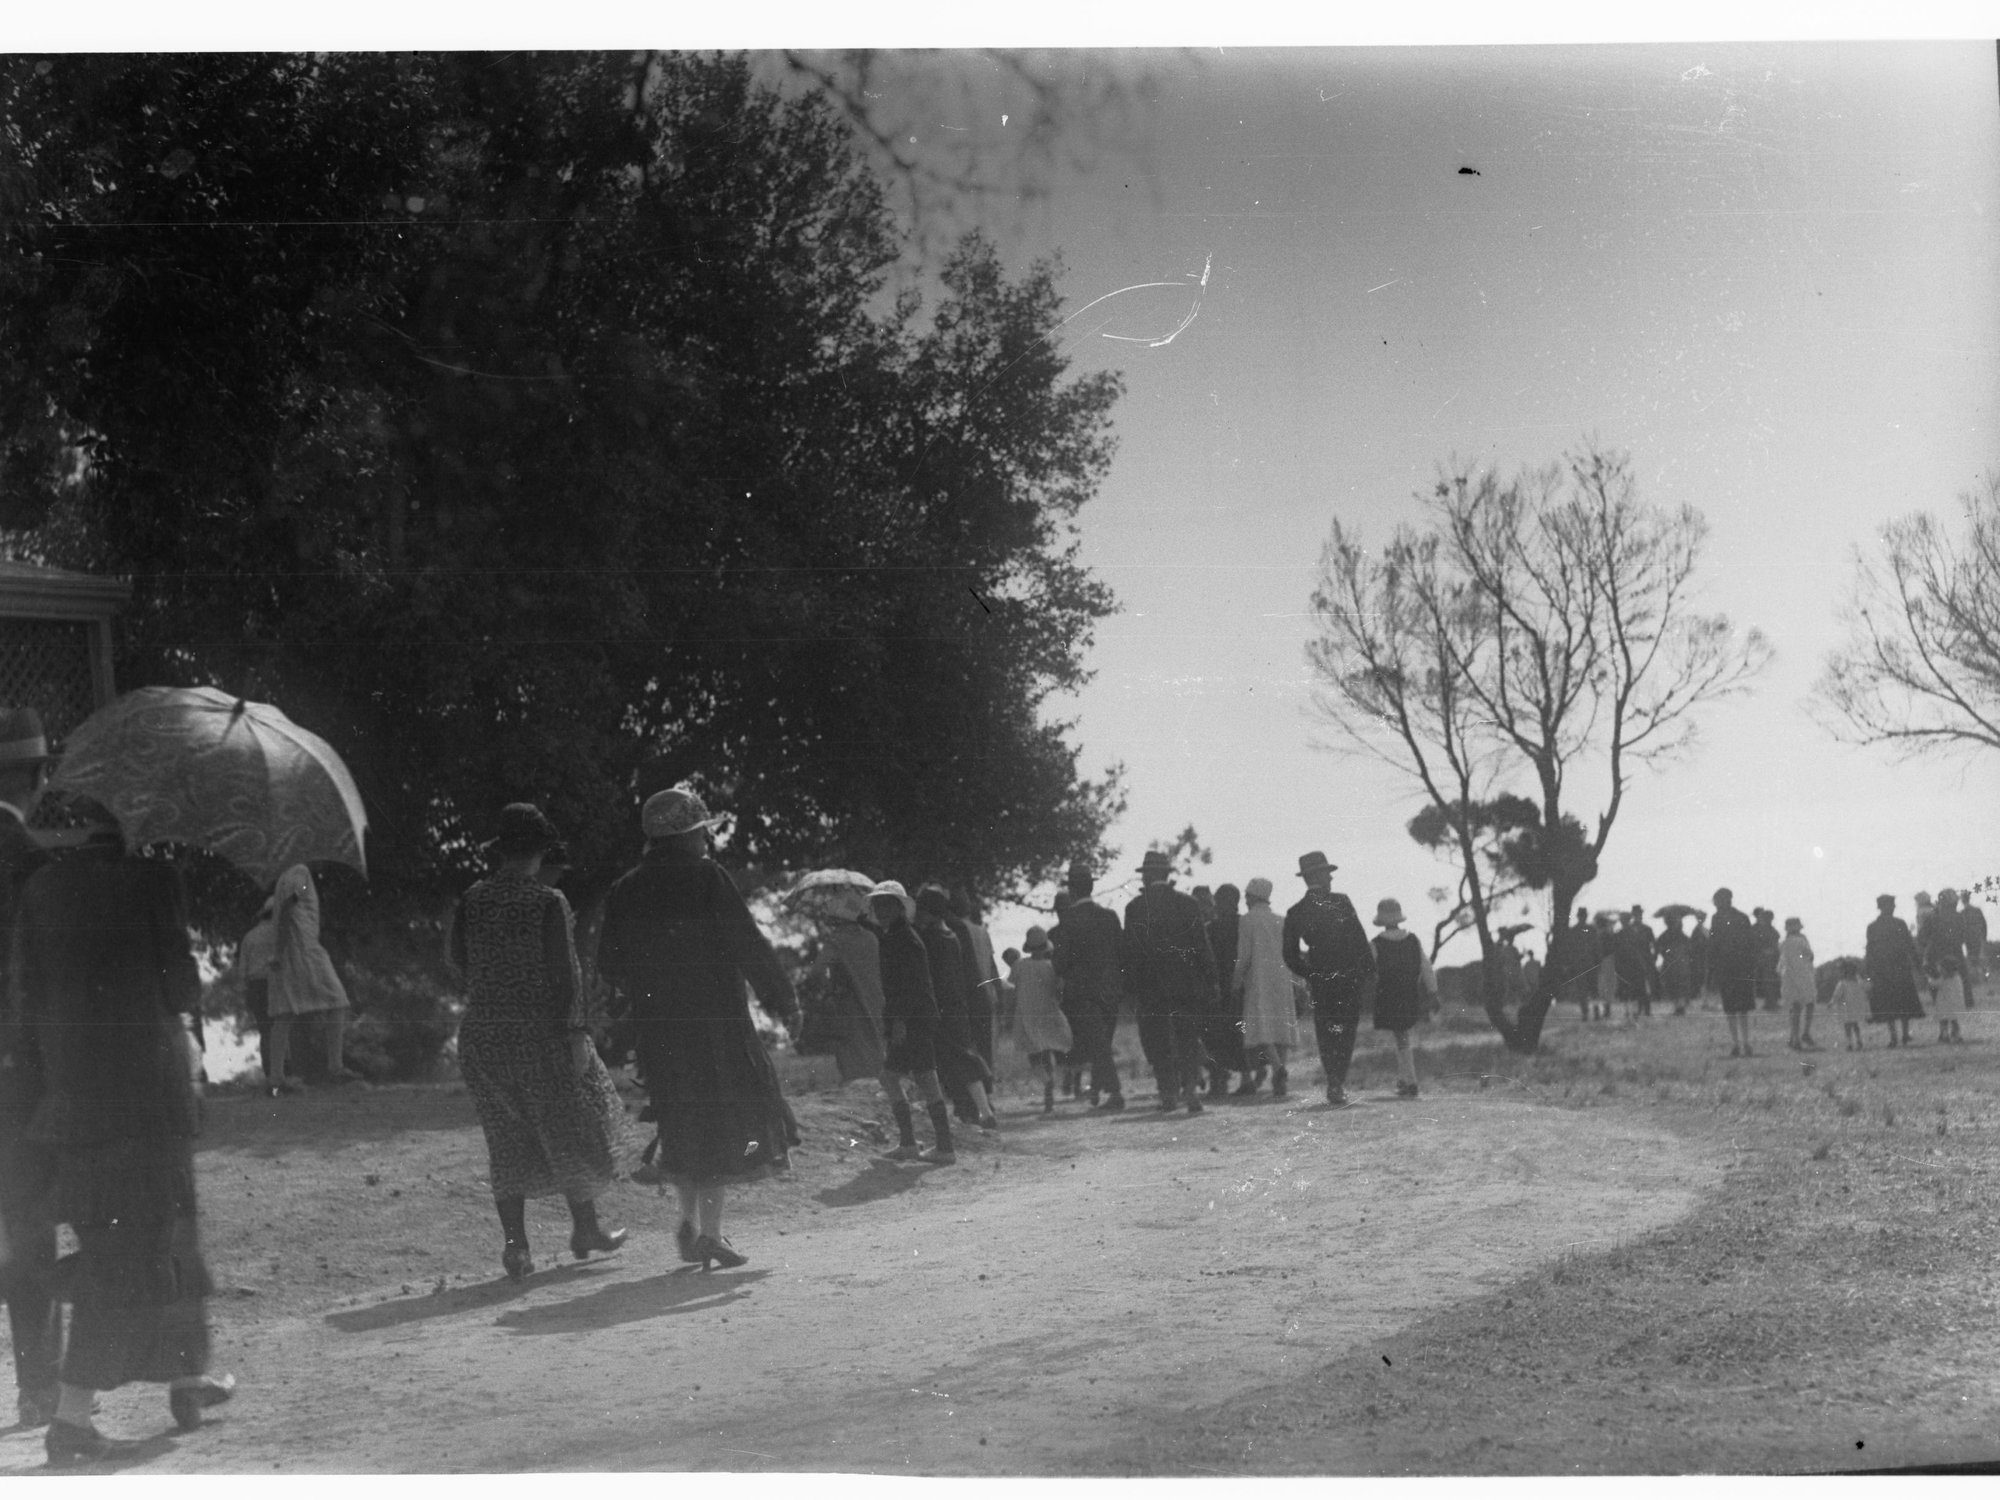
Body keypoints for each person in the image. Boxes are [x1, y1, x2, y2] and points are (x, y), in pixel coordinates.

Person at [13, 800, 236, 1463]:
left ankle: (186, 1371)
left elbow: (30, 996)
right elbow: (182, 988)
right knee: (151, 1239)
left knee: (120, 1238)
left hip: (75, 1100)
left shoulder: (40, 889)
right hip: (149, 1095)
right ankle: (73, 1420)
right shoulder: (154, 880)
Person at [596, 787, 796, 1271]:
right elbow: (747, 942)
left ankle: (689, 1225)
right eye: (702, 830)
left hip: (660, 1029)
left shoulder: (626, 888)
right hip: (716, 1025)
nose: (707, 839)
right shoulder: (707, 877)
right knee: (722, 1123)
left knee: (681, 1121)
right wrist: (781, 998)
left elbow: (610, 963)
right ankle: (709, 1233)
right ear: (687, 834)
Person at [451, 804, 630, 1282]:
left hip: (484, 1035)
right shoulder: (548, 901)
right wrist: (575, 1033)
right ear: (540, 851)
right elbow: (566, 975)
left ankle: (517, 1249)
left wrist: (493, 983)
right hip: (540, 1035)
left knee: (505, 1142)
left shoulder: (473, 898)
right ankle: (586, 1229)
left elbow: (456, 957)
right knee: (570, 1126)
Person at [0, 707, 58, 1428]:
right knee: (27, 1229)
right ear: (38, 778)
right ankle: (39, 1388)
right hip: (13, 1074)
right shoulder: (33, 863)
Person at [866, 880, 956, 1164]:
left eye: (885, 904)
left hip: (911, 1019)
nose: (880, 910)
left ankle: (927, 1146)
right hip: (916, 1018)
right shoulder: (899, 935)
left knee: (901, 1077)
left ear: (898, 907)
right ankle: (933, 1146)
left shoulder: (901, 938)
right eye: (877, 904)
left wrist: (900, 1022)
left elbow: (910, 984)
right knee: (917, 1077)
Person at [1122, 851, 1219, 1114]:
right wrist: (1211, 980)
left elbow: (1129, 954)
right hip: (1185, 985)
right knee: (1187, 1037)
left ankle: (1167, 1092)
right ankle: (1190, 1089)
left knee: (1158, 1040)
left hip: (1150, 988)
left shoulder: (1134, 908)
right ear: (1167, 875)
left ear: (1146, 876)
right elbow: (1202, 946)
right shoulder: (1188, 904)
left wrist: (1130, 991)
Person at [1282, 851, 1376, 1109]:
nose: (1331, 877)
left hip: (1321, 980)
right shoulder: (1342, 902)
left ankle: (1334, 1081)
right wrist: (1368, 972)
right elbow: (1359, 938)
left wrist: (1311, 974)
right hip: (1348, 978)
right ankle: (1338, 1082)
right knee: (1346, 1031)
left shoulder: (1296, 911)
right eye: (1327, 872)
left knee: (1326, 1032)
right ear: (1319, 875)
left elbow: (1289, 955)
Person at [266, 863, 359, 1090]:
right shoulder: (300, 873)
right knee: (337, 1000)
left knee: (284, 1012)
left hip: (291, 949)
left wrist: (279, 951)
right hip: (304, 949)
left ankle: (276, 1078)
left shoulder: (284, 876)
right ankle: (335, 1067)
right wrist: (279, 951)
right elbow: (290, 905)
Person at [913, 885, 999, 1130]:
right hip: (959, 1004)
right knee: (964, 1055)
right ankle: (983, 1110)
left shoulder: (932, 938)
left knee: (950, 1060)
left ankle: (970, 1113)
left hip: (942, 1006)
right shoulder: (952, 934)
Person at [1052, 862, 1126, 1111]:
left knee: (1097, 1044)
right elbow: (1121, 954)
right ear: (1092, 887)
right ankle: (1096, 1089)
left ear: (1072, 890)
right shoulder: (1109, 917)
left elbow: (1060, 963)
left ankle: (1114, 1092)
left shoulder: (1068, 921)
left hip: (1082, 993)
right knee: (1103, 1041)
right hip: (1110, 990)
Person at [803, 893, 888, 1084]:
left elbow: (816, 972)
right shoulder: (871, 937)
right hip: (876, 1002)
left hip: (850, 1006)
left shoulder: (836, 941)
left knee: (853, 1060)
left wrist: (831, 990)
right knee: (875, 1054)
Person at [1234, 878, 1297, 1097]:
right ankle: (1280, 1074)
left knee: (1262, 1026)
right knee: (1281, 1025)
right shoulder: (1281, 920)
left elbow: (1243, 956)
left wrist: (1236, 979)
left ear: (1253, 896)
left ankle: (1278, 1069)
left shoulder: (1247, 920)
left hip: (1258, 978)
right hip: (1282, 977)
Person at [1370, 899, 1435, 1099]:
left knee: (1401, 1037)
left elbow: (1370, 972)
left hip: (1388, 994)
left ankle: (1411, 1081)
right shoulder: (1413, 940)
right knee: (1402, 1035)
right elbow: (1426, 967)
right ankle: (1404, 1079)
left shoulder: (1375, 944)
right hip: (1409, 993)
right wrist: (1433, 991)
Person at [1012, 927, 1072, 1113]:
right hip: (1048, 1013)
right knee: (1051, 1050)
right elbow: (1058, 990)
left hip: (1027, 1015)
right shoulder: (1050, 967)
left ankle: (1047, 1082)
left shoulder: (1019, 966)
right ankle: (1056, 1081)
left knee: (1034, 1054)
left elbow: (1014, 986)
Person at [1204, 883, 1252, 1097]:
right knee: (1243, 1034)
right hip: (1244, 986)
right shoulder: (1245, 925)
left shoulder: (1212, 928)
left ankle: (1219, 1078)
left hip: (1220, 988)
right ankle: (1247, 1078)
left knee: (1219, 1036)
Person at [946, 888, 1001, 1072]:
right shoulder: (982, 931)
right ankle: (987, 1085)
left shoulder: (953, 930)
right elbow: (992, 966)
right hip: (986, 993)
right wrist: (998, 991)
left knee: (967, 1045)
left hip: (965, 994)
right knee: (985, 1044)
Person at [1864, 894, 1924, 1048]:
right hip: (1897, 968)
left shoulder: (1873, 927)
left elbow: (1869, 951)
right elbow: (1910, 946)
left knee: (1890, 1004)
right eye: (1891, 905)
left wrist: (1869, 971)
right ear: (1885, 907)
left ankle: (1897, 1036)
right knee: (1900, 1002)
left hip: (1885, 970)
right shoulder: (1898, 924)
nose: (1893, 907)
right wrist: (1918, 965)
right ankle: (1900, 1036)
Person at [232, 902, 280, 1090]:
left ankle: (270, 1075)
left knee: (265, 1031)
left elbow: (242, 969)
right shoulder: (279, 934)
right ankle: (283, 1073)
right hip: (276, 983)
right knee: (281, 1028)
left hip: (256, 986)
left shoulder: (249, 937)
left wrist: (245, 992)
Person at [1708, 887, 1758, 1057]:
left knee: (1733, 1008)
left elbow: (1713, 944)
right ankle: (1743, 1043)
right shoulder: (1742, 917)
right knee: (1739, 1008)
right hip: (1739, 967)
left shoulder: (1719, 918)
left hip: (1729, 968)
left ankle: (1738, 1043)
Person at [1923, 888, 1970, 1045]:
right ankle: (1955, 1031)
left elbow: (1922, 937)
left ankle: (1943, 1032)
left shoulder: (1932, 917)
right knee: (1955, 997)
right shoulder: (1958, 917)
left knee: (1939, 998)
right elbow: (1964, 936)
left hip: (1935, 959)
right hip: (1954, 960)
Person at [1778, 917, 1818, 1051]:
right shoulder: (1801, 940)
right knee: (1808, 1003)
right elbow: (1809, 955)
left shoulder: (1783, 942)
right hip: (1803, 975)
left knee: (1794, 1007)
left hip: (1789, 976)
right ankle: (1804, 1033)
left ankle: (1794, 1036)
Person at [1614, 906, 1658, 1019]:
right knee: (1636, 986)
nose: (1638, 916)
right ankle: (1637, 1009)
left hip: (1645, 960)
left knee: (1646, 985)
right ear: (1633, 916)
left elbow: (1654, 944)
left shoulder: (1647, 929)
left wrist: (1654, 956)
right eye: (1636, 914)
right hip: (1632, 962)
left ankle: (1647, 1009)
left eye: (1640, 914)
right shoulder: (1628, 930)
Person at [1656, 912, 1694, 1015]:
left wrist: (1667, 954)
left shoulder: (1665, 935)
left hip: (1672, 963)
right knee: (1679, 985)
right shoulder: (1681, 935)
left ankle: (1679, 1006)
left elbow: (1659, 948)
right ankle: (1680, 1006)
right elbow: (1690, 948)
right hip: (1681, 963)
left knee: (1674, 984)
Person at [1831, 957, 1869, 1050]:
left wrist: (1832, 1002)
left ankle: (1849, 1043)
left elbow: (1837, 995)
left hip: (1847, 1009)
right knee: (1856, 1025)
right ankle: (1859, 1040)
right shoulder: (1858, 982)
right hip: (1855, 1008)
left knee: (1847, 1027)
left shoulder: (1842, 983)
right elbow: (1865, 989)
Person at [1751, 908, 1783, 1013]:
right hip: (1765, 958)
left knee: (1770, 980)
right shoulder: (1762, 929)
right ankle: (1770, 1002)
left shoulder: (1766, 929)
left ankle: (1771, 1002)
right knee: (1768, 980)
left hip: (1769, 958)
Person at [1962, 892, 1989, 989]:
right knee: (1979, 960)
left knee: (1974, 960)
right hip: (1977, 939)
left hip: (1970, 940)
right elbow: (1984, 925)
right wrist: (1984, 938)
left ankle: (1978, 980)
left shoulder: (1963, 912)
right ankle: (1983, 980)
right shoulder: (1977, 910)